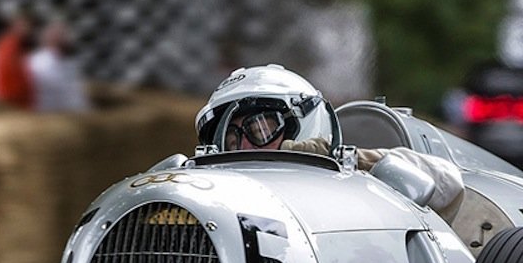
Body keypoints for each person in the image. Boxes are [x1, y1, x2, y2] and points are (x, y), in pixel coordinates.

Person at [195, 64, 464, 221]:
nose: (245, 147)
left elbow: (448, 182)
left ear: (303, 125)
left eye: (261, 129)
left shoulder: (350, 187)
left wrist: (344, 161)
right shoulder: (221, 210)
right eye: (231, 140)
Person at [28, 19, 89, 113]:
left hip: (66, 112)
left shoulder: (68, 62)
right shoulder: (40, 62)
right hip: (56, 114)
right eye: (63, 35)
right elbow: (69, 98)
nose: (69, 38)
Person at [0, 14, 35, 109]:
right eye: (23, 25)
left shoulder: (13, 45)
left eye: (29, 26)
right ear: (13, 26)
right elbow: (9, 71)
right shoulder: (9, 45)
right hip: (11, 99)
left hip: (12, 98)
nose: (28, 29)